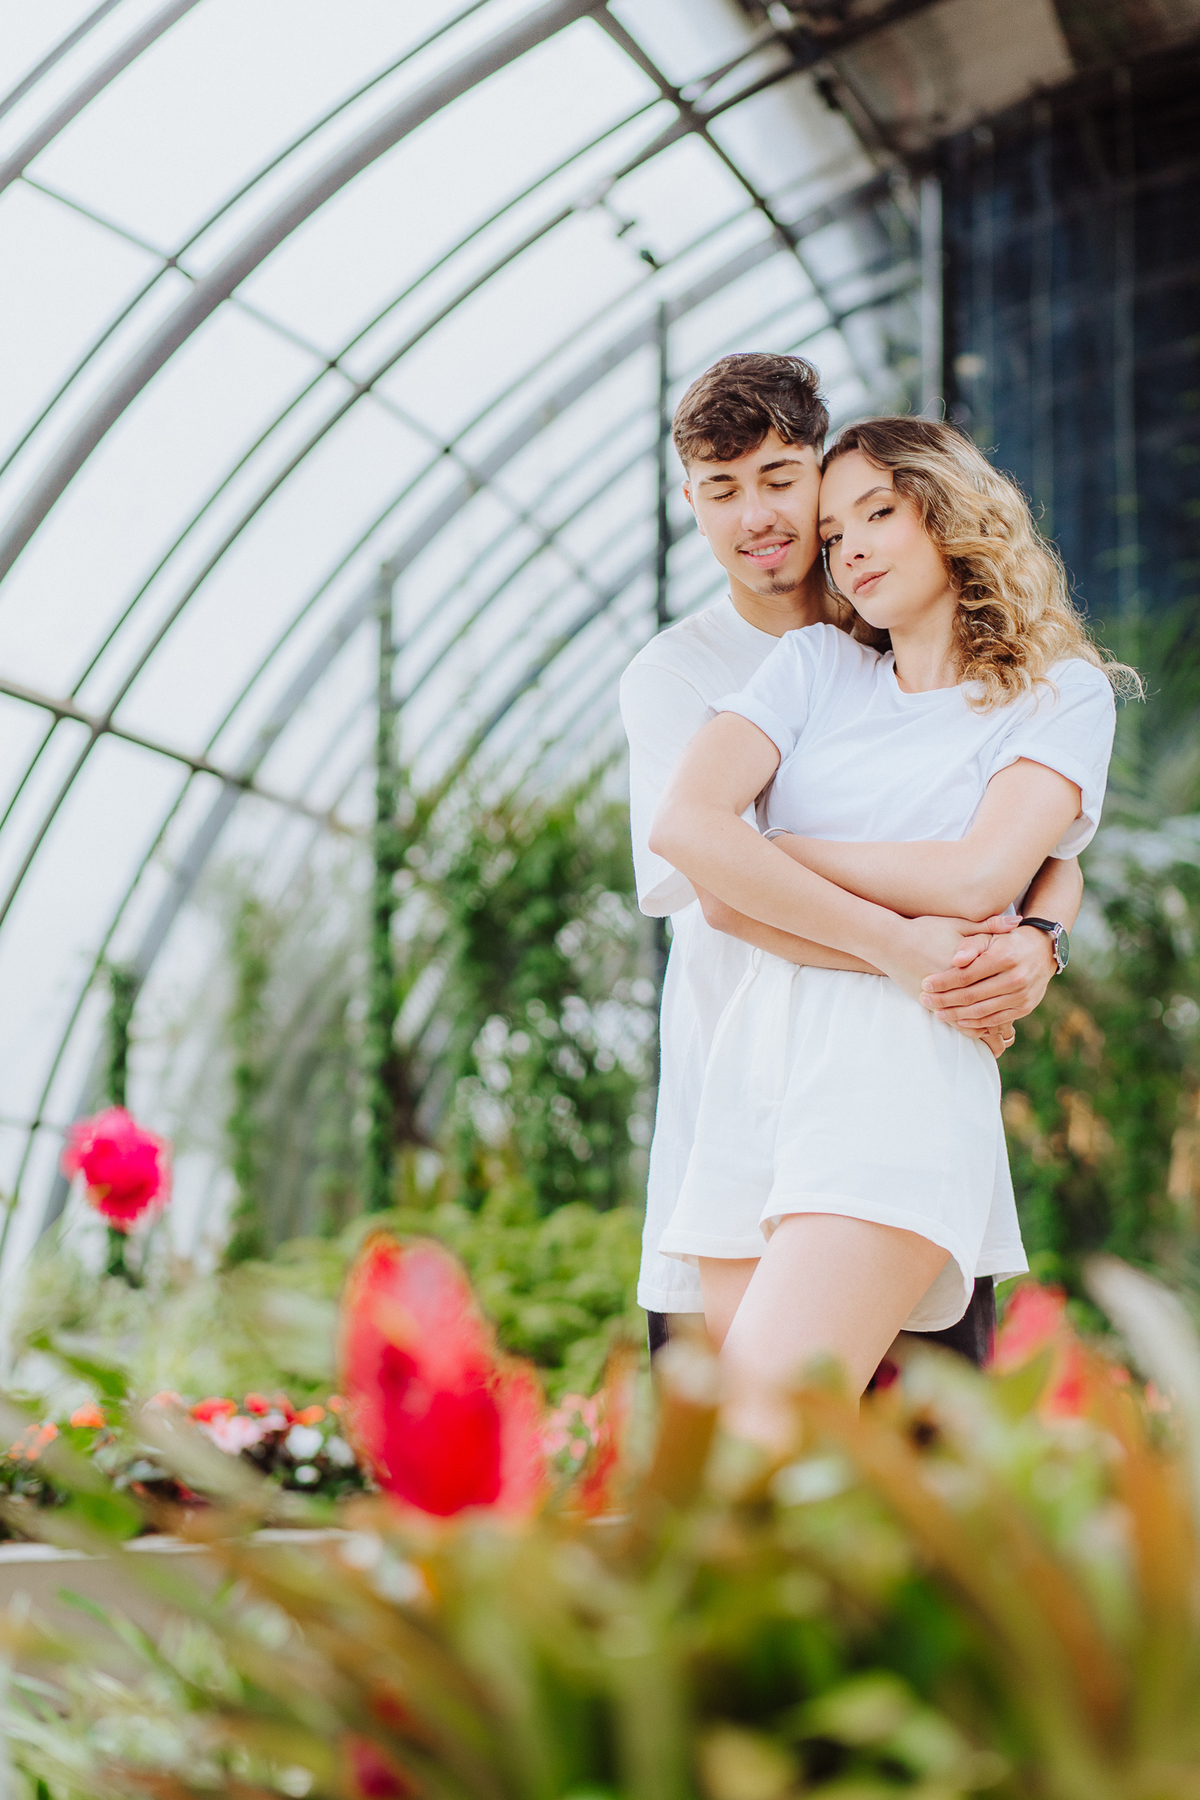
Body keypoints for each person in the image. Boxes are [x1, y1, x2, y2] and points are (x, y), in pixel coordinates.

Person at [650, 415, 1131, 1445]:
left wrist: (776, 850)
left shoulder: (1058, 693)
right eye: (833, 534)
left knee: (750, 1445)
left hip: (897, 1075)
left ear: (950, 515)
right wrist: (897, 944)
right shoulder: (815, 665)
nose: (851, 547)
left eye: (877, 512)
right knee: (790, 1496)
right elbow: (695, 847)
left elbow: (978, 875)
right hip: (756, 1072)